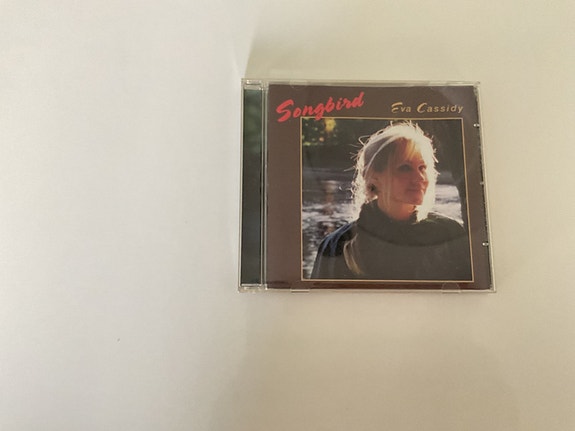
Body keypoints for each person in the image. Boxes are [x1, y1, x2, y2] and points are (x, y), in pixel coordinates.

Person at [310, 122, 472, 281]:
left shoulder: (450, 235)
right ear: (374, 177)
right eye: (405, 168)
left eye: (422, 167)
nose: (419, 178)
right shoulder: (336, 245)